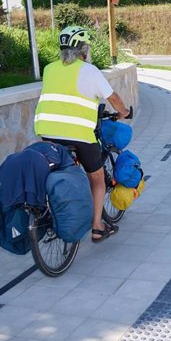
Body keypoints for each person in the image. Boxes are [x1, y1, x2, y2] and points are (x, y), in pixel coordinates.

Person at [34, 26, 131, 242]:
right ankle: (97, 226)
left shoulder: (49, 69)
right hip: (79, 135)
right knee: (96, 178)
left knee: (57, 170)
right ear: (83, 50)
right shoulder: (89, 70)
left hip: (48, 134)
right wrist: (123, 112)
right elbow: (112, 98)